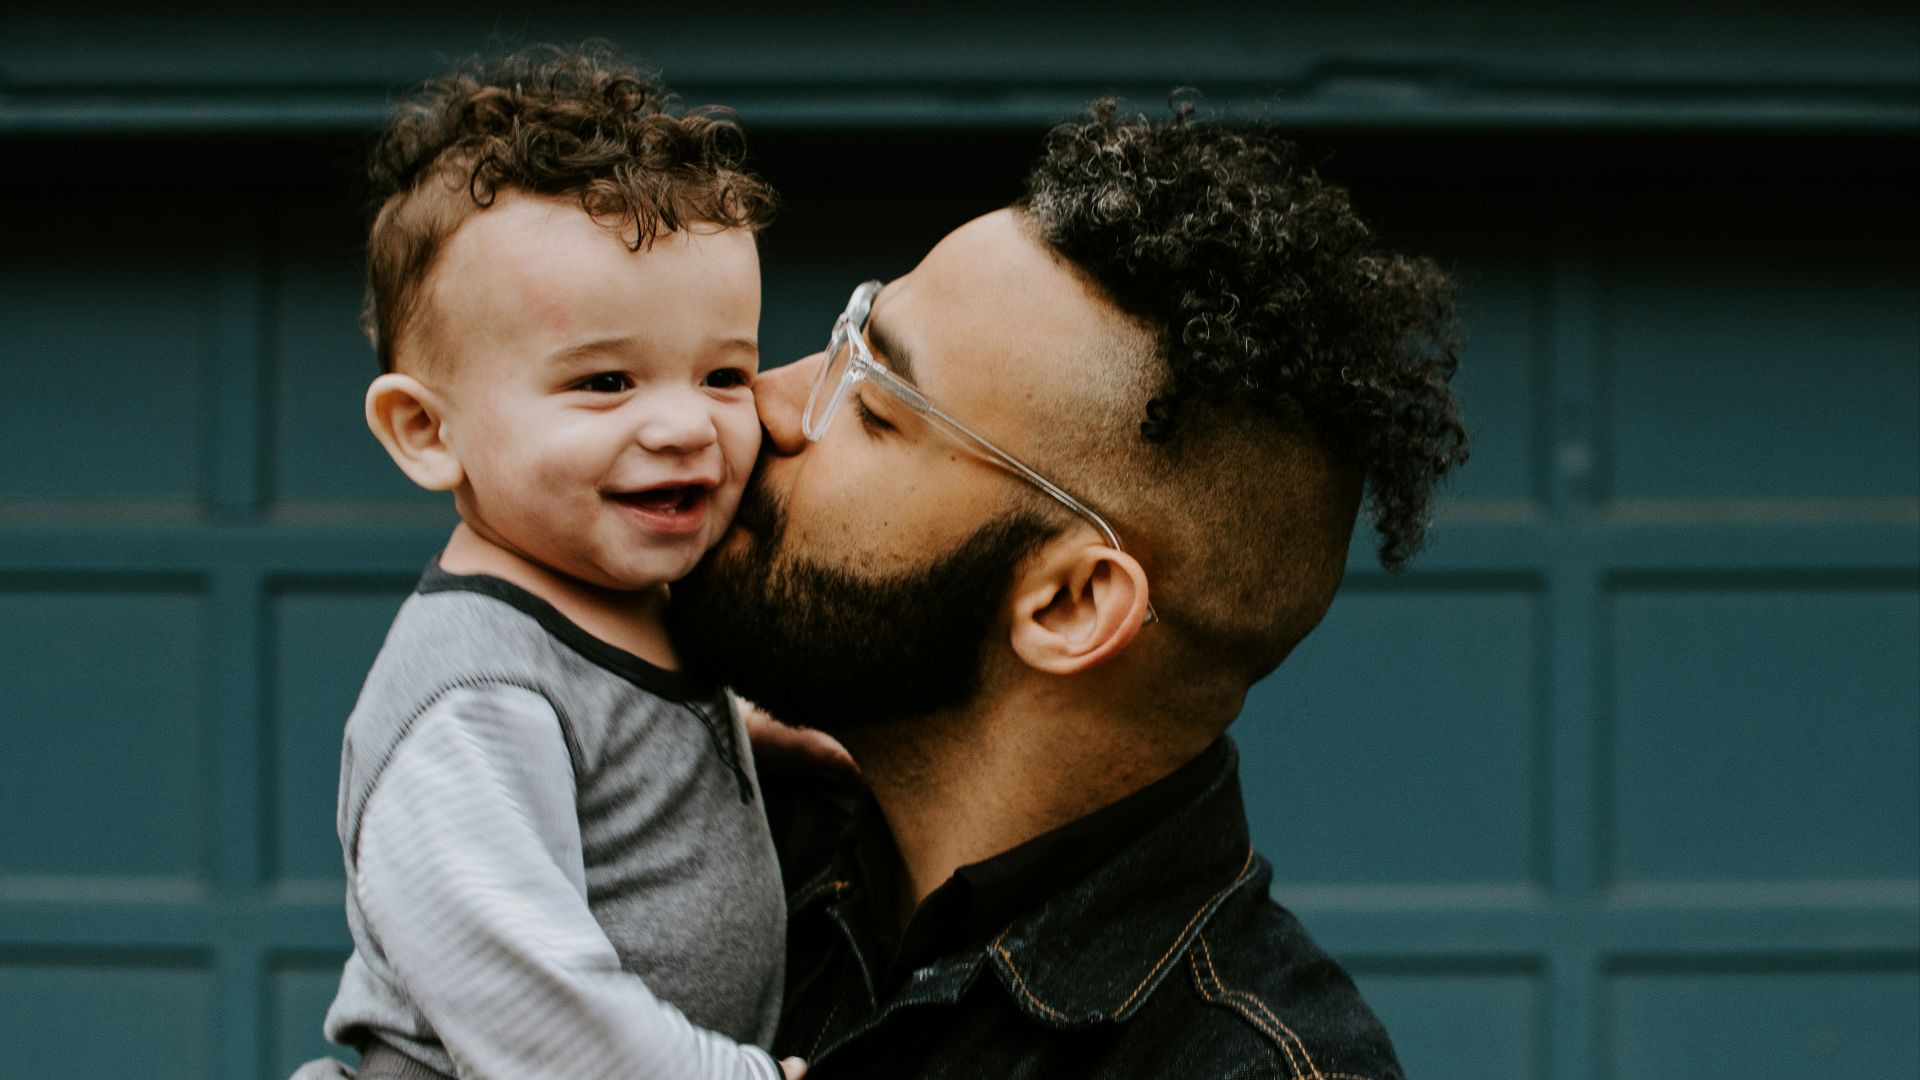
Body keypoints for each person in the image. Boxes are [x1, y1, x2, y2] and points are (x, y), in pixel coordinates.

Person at [669, 99, 1469, 1078]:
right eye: (847, 336)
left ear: (1070, 605)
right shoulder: (693, 818)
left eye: (874, 404)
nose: (767, 401)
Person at [295, 46, 805, 1080]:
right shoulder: (473, 697)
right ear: (426, 432)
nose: (683, 426)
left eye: (722, 374)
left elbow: (613, 754)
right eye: (606, 381)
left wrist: (757, 745)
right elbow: (524, 1003)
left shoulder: (630, 604)